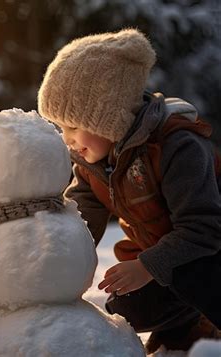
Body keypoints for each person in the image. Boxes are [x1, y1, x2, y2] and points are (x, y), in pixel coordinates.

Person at [38, 28, 221, 353]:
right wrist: (49, 253)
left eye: (73, 127)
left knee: (190, 274)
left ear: (108, 118)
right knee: (128, 307)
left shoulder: (177, 146)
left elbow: (204, 229)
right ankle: (189, 325)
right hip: (175, 263)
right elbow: (78, 220)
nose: (66, 139)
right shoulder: (95, 162)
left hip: (209, 254)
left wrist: (147, 266)